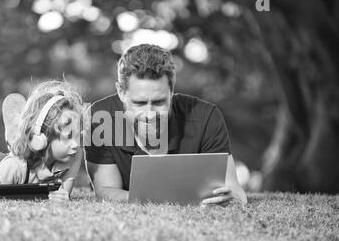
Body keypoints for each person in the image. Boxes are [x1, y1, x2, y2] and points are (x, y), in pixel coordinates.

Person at [85, 44, 247, 206]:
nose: (149, 114)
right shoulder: (100, 118)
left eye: (159, 102)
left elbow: (233, 189)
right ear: (121, 92)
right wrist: (161, 201)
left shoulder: (206, 117)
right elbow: (106, 189)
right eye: (139, 103)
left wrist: (230, 198)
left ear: (171, 91)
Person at [0, 80, 83, 201]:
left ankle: (16, 137)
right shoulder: (14, 166)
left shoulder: (73, 154)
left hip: (22, 164)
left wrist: (62, 196)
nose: (76, 144)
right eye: (68, 137)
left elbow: (64, 192)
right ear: (40, 139)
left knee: (19, 160)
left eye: (78, 136)